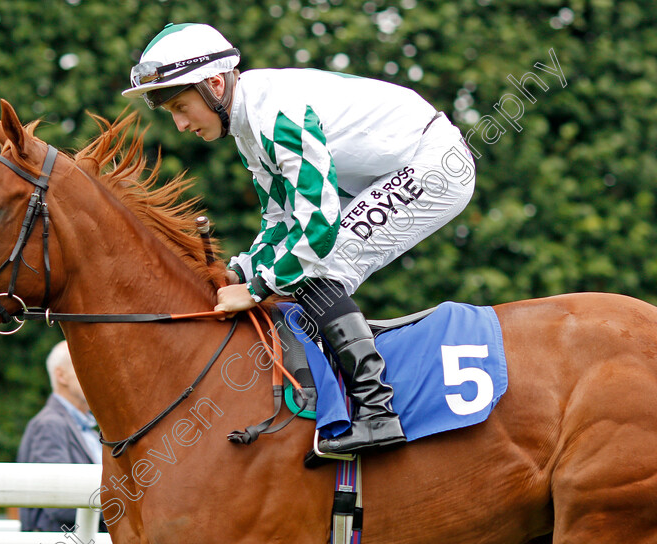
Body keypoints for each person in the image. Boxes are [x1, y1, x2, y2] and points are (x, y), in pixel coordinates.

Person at [123, 23, 476, 457]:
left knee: (318, 265)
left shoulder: (276, 114)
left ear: (215, 83)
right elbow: (279, 220)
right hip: (390, 170)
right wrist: (241, 269)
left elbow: (317, 228)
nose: (179, 125)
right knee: (300, 265)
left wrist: (256, 289)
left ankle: (377, 413)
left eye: (181, 106)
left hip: (434, 165)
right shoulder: (248, 124)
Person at [17, 341, 105, 532]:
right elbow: (58, 501)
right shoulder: (49, 425)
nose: (96, 376)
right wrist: (125, 504)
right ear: (61, 376)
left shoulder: (87, 429)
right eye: (84, 367)